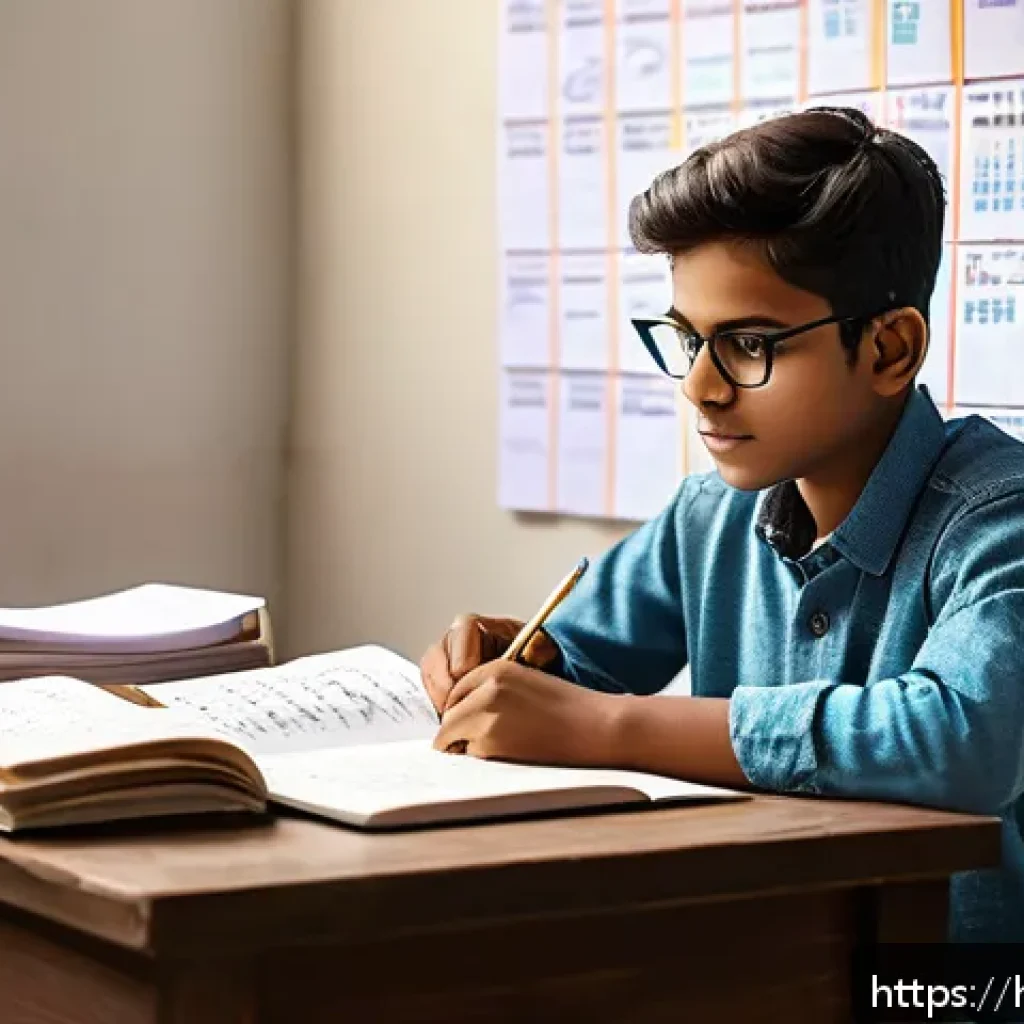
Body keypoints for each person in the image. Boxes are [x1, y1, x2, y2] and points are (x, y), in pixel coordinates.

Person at [421, 106, 1024, 943]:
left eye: (746, 344)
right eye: (686, 339)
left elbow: (960, 742)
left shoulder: (999, 517)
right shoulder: (710, 516)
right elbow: (578, 670)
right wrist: (527, 660)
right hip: (763, 973)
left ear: (889, 349)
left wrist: (611, 728)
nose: (699, 387)